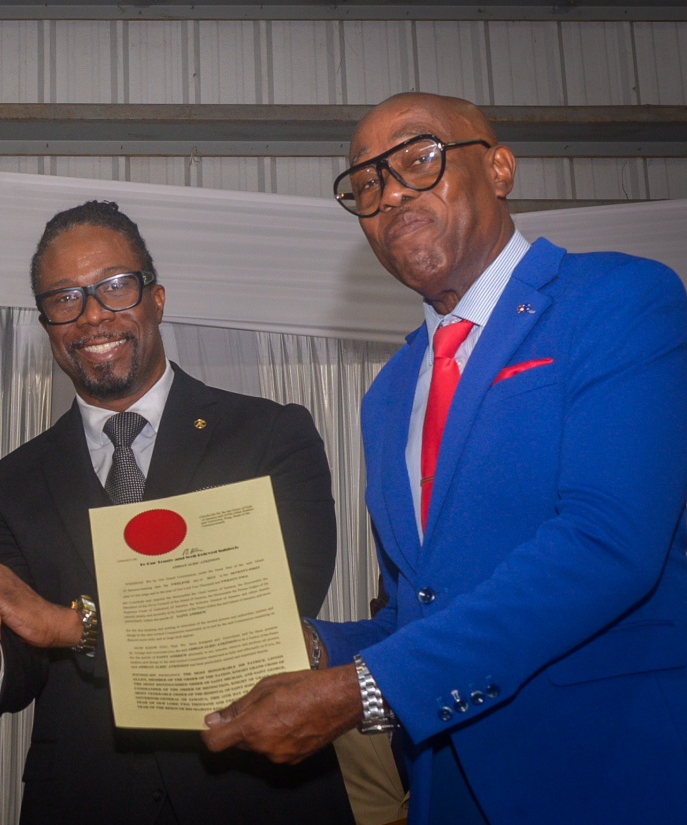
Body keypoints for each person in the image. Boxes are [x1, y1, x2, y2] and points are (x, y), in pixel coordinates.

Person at [200, 92, 687, 824]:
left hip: (610, 773)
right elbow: (417, 609)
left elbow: (606, 544)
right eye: (367, 182)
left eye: (419, 159)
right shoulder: (390, 392)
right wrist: (313, 646)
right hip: (445, 791)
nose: (391, 190)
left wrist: (363, 690)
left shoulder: (621, 299)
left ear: (499, 167)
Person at [0, 200, 356, 824]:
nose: (92, 316)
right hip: (87, 798)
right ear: (47, 324)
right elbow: (18, 670)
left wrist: (69, 624)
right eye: (65, 298)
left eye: (115, 287)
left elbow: (267, 616)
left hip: (260, 792)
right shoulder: (10, 483)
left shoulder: (272, 435)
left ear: (156, 298)